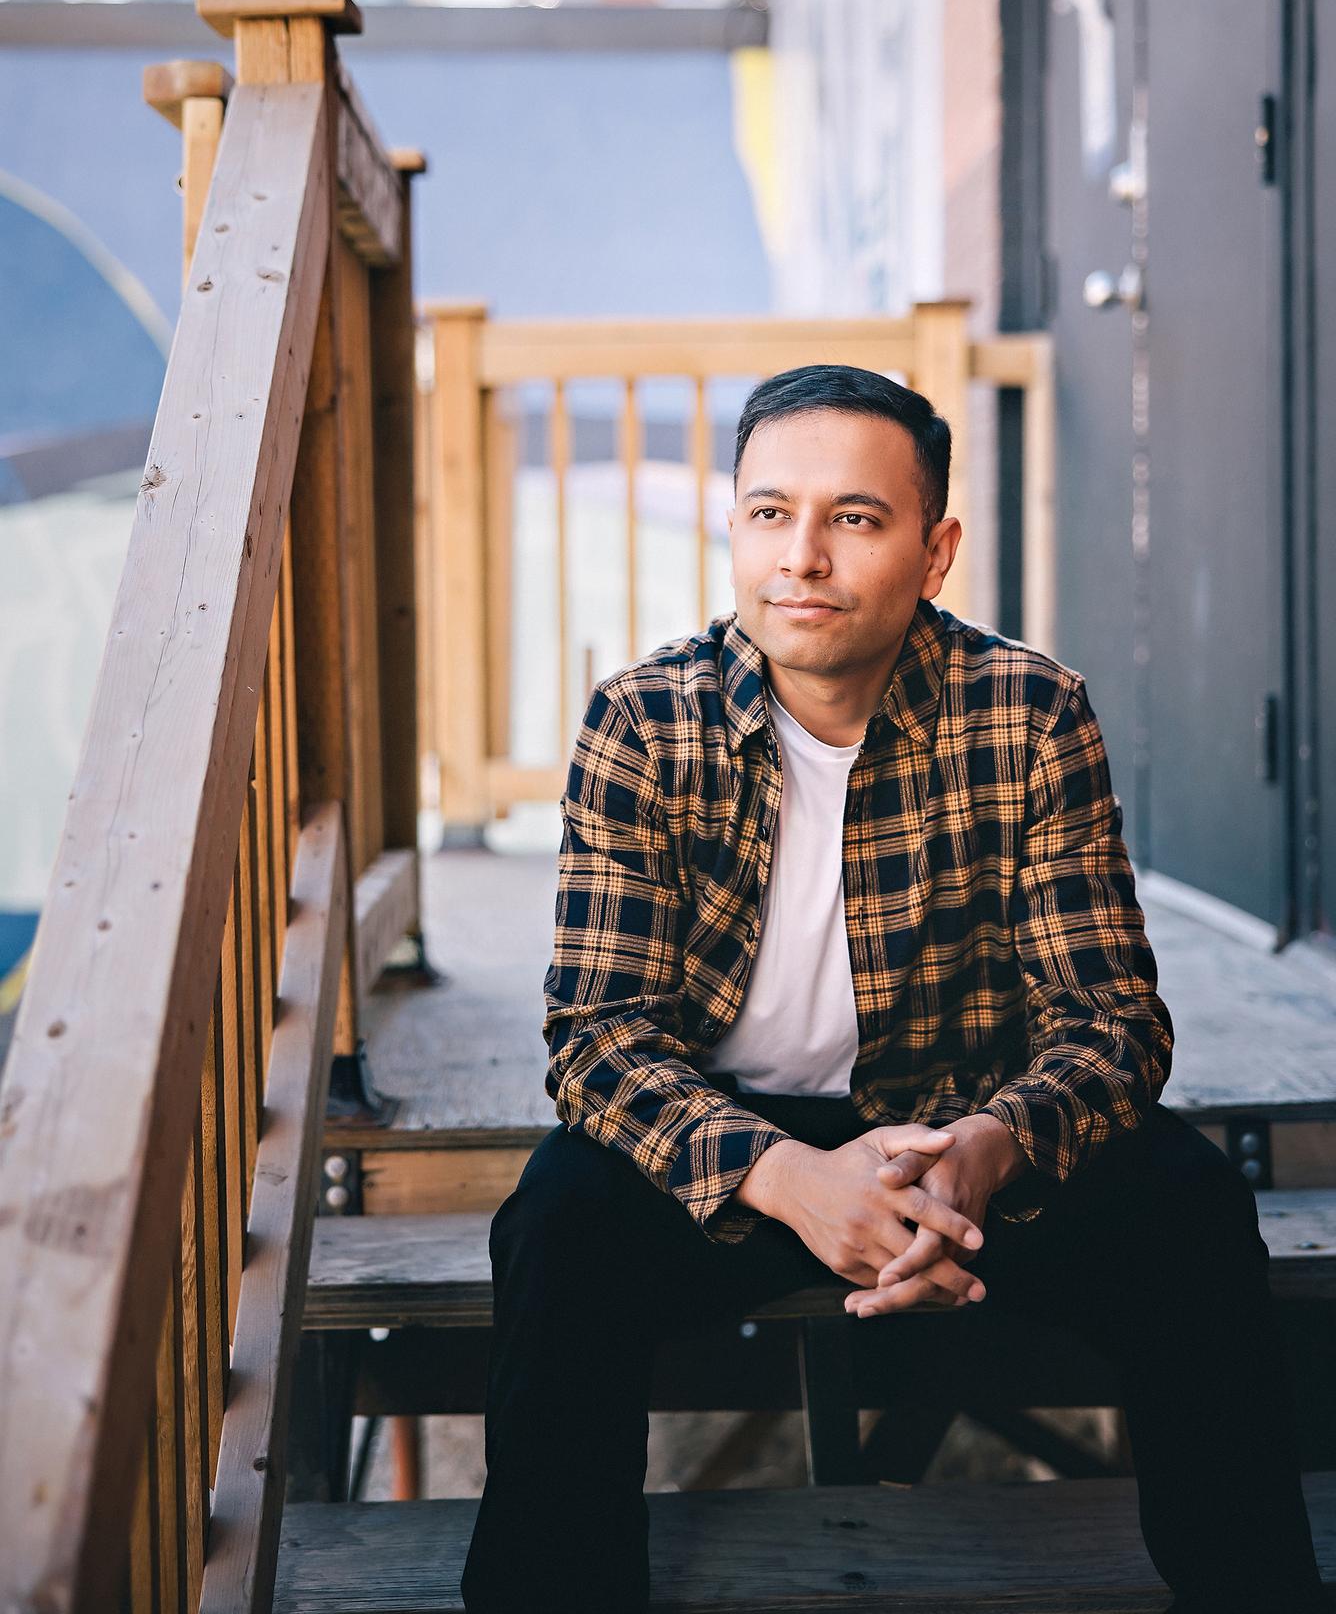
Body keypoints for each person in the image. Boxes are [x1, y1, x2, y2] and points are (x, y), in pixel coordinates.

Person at [460, 364, 1324, 1614]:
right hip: (735, 1143)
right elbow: (598, 1037)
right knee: (557, 1225)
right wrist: (788, 1175)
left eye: (853, 518)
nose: (800, 556)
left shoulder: (1028, 712)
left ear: (935, 550)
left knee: (1189, 1209)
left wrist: (986, 1148)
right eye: (769, 512)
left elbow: (1112, 1022)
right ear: (733, 525)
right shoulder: (644, 723)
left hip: (962, 1140)